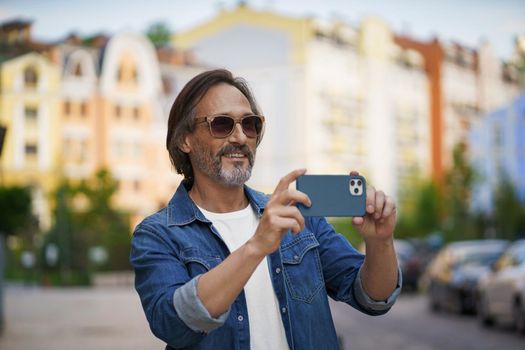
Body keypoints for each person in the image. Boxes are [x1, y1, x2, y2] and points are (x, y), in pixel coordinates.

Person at [130, 69, 401, 350]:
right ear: (184, 140)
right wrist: (257, 245)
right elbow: (174, 325)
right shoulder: (157, 234)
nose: (240, 137)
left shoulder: (299, 217)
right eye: (222, 124)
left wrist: (380, 241)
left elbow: (373, 298)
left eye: (250, 124)